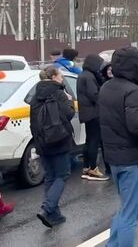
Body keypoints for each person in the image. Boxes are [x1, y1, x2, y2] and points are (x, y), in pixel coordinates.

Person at [99, 47, 138, 247]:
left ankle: (112, 245)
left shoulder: (106, 87)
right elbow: (137, 125)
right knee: (131, 215)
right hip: (133, 160)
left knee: (125, 209)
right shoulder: (132, 91)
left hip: (114, 157)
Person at [29, 66, 76, 228]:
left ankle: (54, 214)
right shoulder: (59, 93)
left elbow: (33, 122)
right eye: (61, 76)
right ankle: (47, 208)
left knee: (50, 176)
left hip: (42, 141)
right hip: (59, 140)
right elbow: (69, 115)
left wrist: (38, 140)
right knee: (62, 174)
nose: (62, 78)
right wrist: (70, 101)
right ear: (54, 77)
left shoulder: (35, 96)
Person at [78, 54, 110, 182]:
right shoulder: (90, 76)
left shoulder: (83, 75)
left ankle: (86, 167)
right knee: (94, 141)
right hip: (94, 113)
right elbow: (94, 94)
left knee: (89, 140)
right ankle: (93, 168)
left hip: (86, 113)